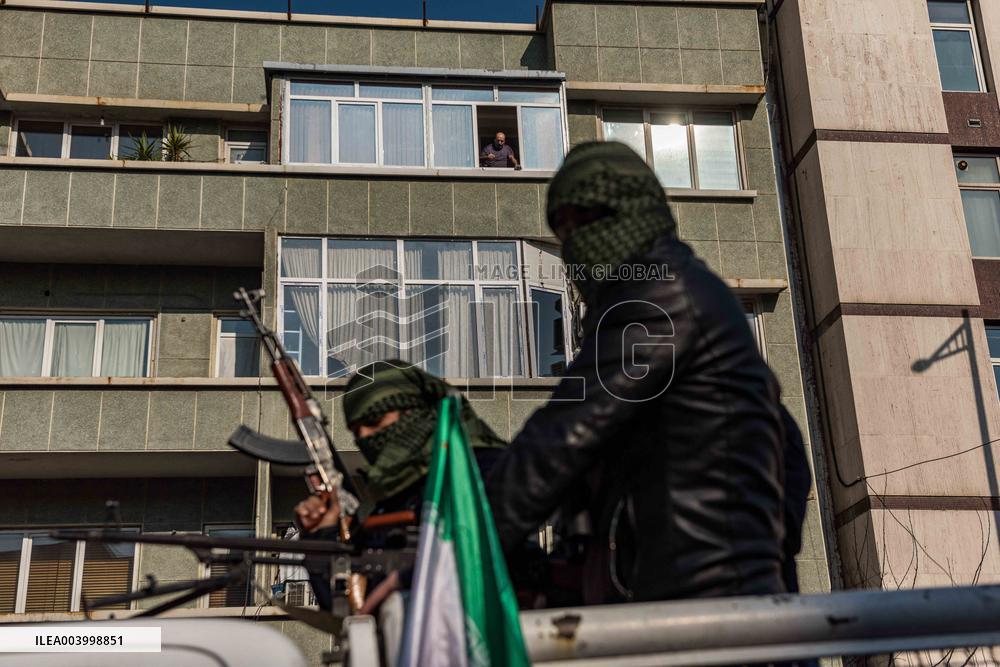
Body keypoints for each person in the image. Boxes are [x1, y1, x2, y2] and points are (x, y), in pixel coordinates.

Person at [484, 141, 810, 604]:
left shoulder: (660, 294)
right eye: (565, 230)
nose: (577, 241)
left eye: (589, 220)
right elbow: (789, 451)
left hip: (703, 614)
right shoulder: (684, 296)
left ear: (635, 212)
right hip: (695, 605)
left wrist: (453, 550)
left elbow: (560, 438)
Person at [293, 360, 507, 612]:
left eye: (374, 421)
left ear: (413, 410)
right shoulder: (383, 503)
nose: (364, 437)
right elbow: (346, 610)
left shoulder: (481, 469)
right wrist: (323, 534)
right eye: (355, 430)